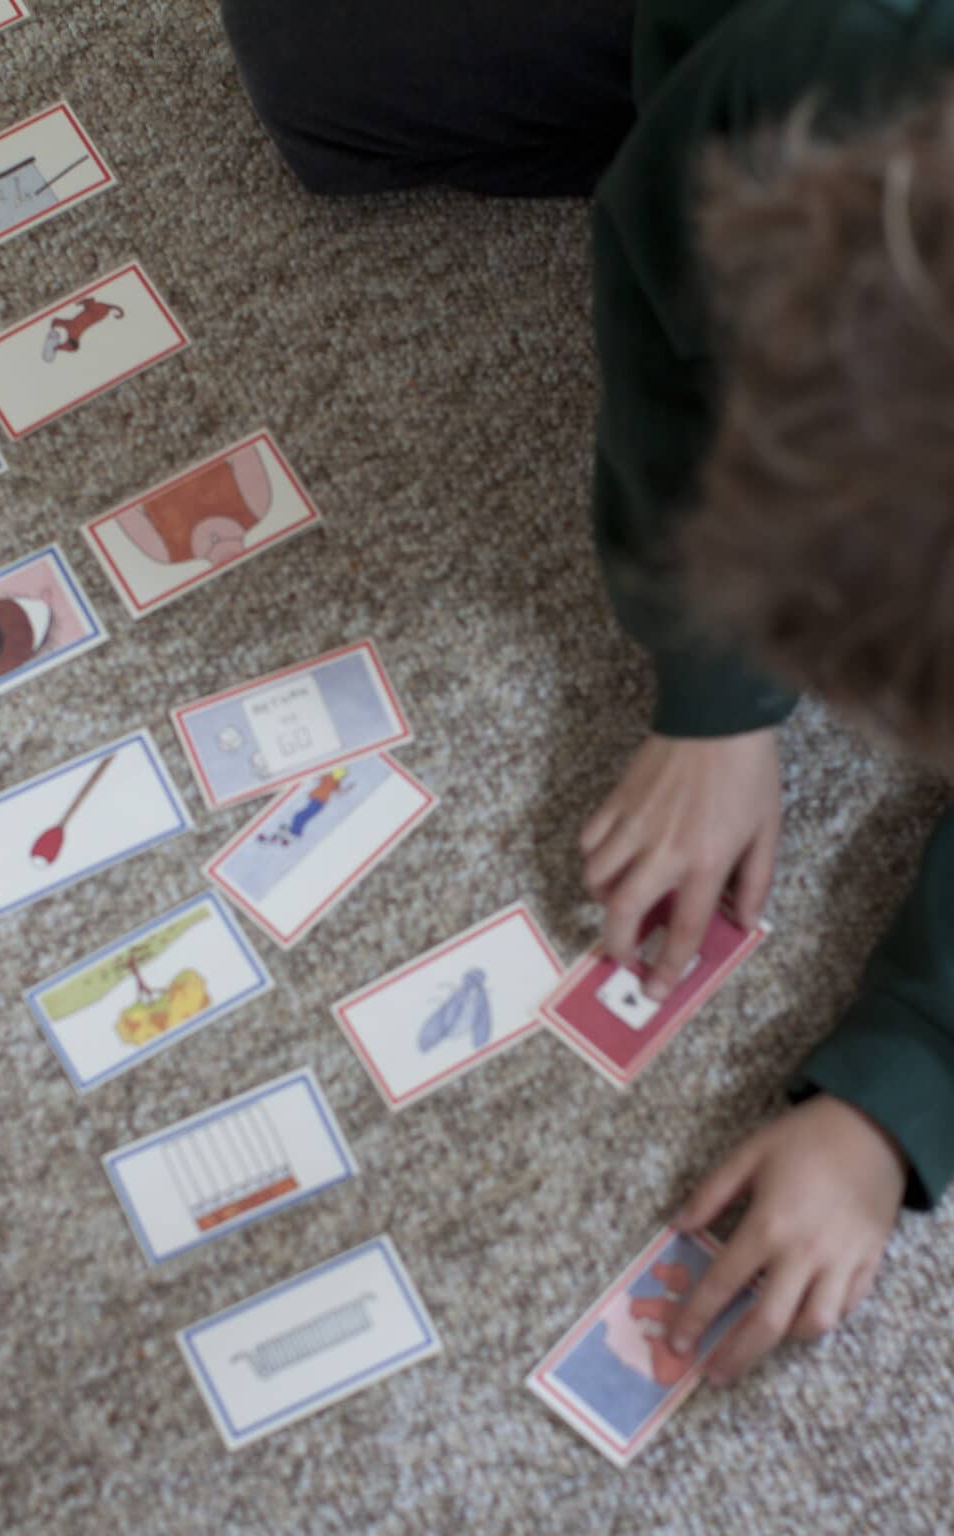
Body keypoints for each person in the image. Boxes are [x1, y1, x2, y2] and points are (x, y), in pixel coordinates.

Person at [219, 0, 954, 1382]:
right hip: (773, 66)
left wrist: (897, 1098)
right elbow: (673, 274)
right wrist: (716, 689)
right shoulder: (836, 75)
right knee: (307, 73)